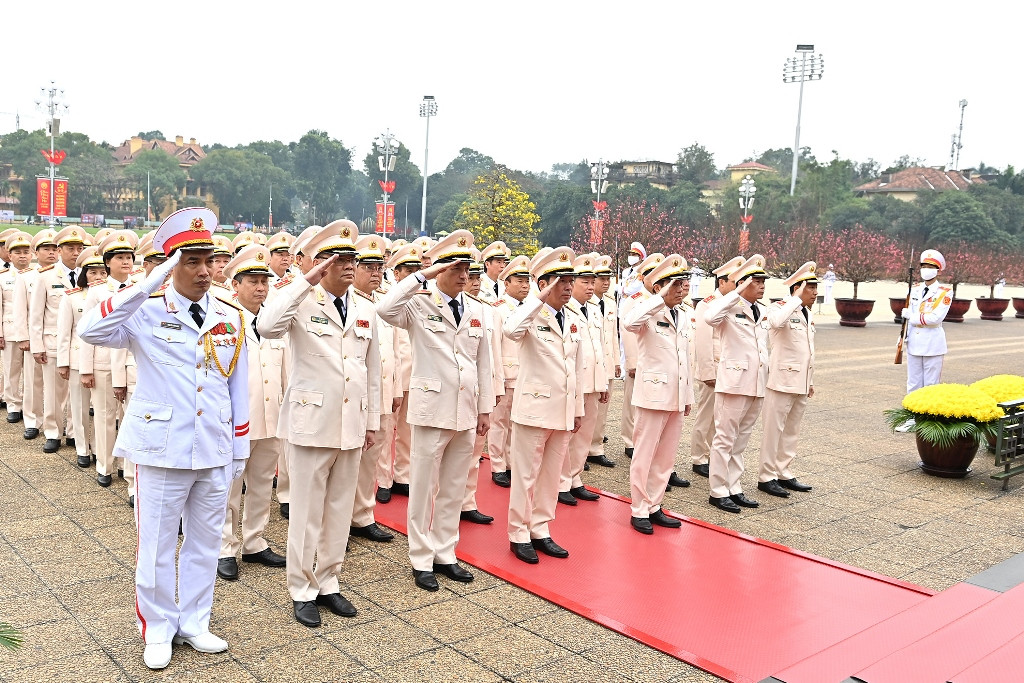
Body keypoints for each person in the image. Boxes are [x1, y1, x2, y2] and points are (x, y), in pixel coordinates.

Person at [78, 207, 250, 670]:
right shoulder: (146, 310)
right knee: (154, 545)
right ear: (170, 264)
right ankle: (157, 626)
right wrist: (146, 283)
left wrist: (239, 448)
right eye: (189, 261)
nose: (202, 271)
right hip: (161, 448)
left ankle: (194, 621)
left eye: (207, 260)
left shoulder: (228, 315)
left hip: (213, 445)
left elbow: (238, 385)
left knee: (204, 541)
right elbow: (91, 329)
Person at [257, 219, 381, 627]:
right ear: (318, 264)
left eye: (351, 258)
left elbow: (372, 370)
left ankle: (329, 581)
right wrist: (304, 280)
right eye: (338, 258)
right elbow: (266, 325)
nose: (348, 265)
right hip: (311, 422)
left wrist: (373, 421)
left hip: (350, 422)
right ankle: (301, 588)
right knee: (307, 511)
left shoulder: (365, 309)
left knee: (339, 510)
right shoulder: (299, 300)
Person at [375, 230, 493, 591]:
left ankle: (446, 552)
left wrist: (485, 408)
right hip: (431, 409)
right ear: (439, 268)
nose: (463, 275)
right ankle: (421, 557)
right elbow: (384, 308)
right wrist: (421, 275)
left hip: (465, 409)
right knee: (423, 487)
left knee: (454, 486)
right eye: (455, 267)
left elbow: (482, 363)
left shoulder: (475, 309)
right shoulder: (419, 303)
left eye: (467, 268)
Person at [504, 247, 584, 564]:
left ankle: (540, 528)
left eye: (570, 280)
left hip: (562, 411)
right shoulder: (530, 314)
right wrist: (538, 298)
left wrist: (577, 409)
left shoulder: (574, 319)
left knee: (551, 476)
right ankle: (518, 533)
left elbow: (575, 369)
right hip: (534, 409)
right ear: (545, 284)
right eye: (560, 281)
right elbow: (510, 330)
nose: (567, 287)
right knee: (525, 476)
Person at [217, 245, 288, 582]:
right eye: (254, 281)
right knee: (230, 487)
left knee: (261, 484)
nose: (261, 287)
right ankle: (225, 547)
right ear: (236, 284)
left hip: (271, 415)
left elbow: (285, 370)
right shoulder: (223, 321)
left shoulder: (274, 320)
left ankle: (255, 541)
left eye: (265, 281)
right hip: (236, 420)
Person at [624, 255, 694, 534]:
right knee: (644, 454)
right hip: (652, 394)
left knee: (665, 456)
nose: (680, 289)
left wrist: (688, 396)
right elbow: (629, 323)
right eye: (674, 284)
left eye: (682, 283)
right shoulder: (647, 310)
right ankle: (639, 508)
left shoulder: (685, 313)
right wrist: (659, 296)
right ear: (659, 287)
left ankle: (655, 504)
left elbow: (685, 358)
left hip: (676, 395)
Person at [704, 254, 770, 514]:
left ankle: (734, 487)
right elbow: (710, 317)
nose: (762, 285)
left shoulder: (761, 309)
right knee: (724, 438)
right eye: (756, 281)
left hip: (756, 383)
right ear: (742, 284)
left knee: (741, 439)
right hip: (733, 382)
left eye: (764, 280)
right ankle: (717, 491)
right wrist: (737, 290)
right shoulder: (728, 306)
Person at [347, 235, 397, 543]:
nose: (376, 273)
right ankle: (340, 520)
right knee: (347, 463)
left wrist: (398, 389)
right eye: (368, 266)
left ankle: (362, 515)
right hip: (354, 395)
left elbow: (397, 351)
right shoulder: (347, 301)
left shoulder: (386, 301)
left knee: (372, 458)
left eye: (379, 266)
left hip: (383, 393)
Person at [81, 230, 140, 487]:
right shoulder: (96, 292)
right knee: (105, 415)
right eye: (120, 258)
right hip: (103, 361)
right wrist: (85, 368)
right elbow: (85, 332)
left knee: (129, 419)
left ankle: (129, 473)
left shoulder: (141, 288)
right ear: (107, 262)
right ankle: (105, 465)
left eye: (129, 257)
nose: (126, 262)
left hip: (131, 361)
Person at [757, 262, 816, 497]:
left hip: (801, 381)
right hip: (781, 380)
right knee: (774, 430)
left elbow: (809, 348)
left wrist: (810, 380)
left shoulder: (807, 312)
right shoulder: (778, 308)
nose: (815, 293)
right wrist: (795, 299)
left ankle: (784, 471)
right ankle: (766, 476)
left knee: (792, 430)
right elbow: (774, 323)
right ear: (798, 287)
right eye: (810, 288)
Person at [557, 254, 609, 506]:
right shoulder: (565, 310)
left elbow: (600, 348)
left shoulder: (594, 309)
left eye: (592, 281)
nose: (590, 286)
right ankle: (560, 481)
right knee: (567, 435)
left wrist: (604, 382)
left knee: (585, 435)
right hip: (573, 384)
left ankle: (575, 478)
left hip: (593, 382)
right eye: (585, 281)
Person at [374, 242, 422, 504]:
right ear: (396, 273)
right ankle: (384, 479)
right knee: (386, 430)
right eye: (408, 269)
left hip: (417, 375)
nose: (413, 274)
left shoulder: (425, 298)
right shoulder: (386, 298)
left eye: (418, 268)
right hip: (394, 375)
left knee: (408, 431)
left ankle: (403, 475)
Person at [689, 256, 744, 478]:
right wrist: (706, 372)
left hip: (729, 369)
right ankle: (698, 457)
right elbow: (702, 340)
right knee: (706, 415)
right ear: (721, 282)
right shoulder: (708, 304)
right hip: (713, 368)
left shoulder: (735, 303)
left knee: (721, 417)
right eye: (735, 282)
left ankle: (714, 454)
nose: (739, 286)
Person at [459, 255, 501, 524]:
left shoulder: (485, 309)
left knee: (474, 452)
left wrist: (494, 389)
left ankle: (467, 501)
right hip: (453, 392)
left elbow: (491, 355)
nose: (473, 282)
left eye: (476, 277)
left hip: (477, 392)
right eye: (469, 277)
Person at [56, 246, 107, 468]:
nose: (97, 276)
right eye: (92, 272)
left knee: (103, 409)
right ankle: (81, 447)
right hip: (78, 358)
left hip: (104, 359)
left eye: (102, 272)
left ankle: (98, 447)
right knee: (79, 406)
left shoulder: (109, 295)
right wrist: (63, 362)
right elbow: (64, 333)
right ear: (83, 274)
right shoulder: (72, 298)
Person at [896, 249, 953, 432]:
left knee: (930, 384)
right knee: (913, 383)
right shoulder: (914, 289)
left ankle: (928, 420)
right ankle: (913, 418)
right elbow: (909, 319)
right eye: (924, 266)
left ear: (938, 270)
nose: (926, 270)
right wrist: (903, 336)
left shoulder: (944, 292)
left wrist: (911, 316)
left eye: (931, 267)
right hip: (914, 342)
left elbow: (935, 318)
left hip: (932, 343)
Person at [487, 255, 531, 487]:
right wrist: (497, 377)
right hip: (506, 374)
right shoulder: (498, 309)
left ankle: (513, 462)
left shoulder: (532, 307)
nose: (525, 286)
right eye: (519, 281)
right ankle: (497, 464)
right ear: (506, 283)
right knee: (499, 422)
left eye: (527, 281)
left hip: (526, 376)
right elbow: (494, 347)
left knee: (518, 424)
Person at [11, 229, 59, 441]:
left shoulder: (63, 276)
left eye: (53, 249)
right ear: (36, 252)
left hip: (56, 337)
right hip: (33, 336)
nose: (50, 253)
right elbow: (20, 309)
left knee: (58, 386)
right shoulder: (27, 277)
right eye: (45, 249)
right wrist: (23, 337)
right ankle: (32, 420)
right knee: (33, 381)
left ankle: (56, 423)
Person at [619, 253, 664, 459]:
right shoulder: (635, 300)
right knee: (632, 403)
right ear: (643, 277)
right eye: (650, 275)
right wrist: (632, 362)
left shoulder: (662, 300)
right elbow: (627, 332)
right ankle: (630, 441)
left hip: (656, 363)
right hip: (638, 361)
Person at [587, 255, 620, 469]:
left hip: (607, 362)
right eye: (601, 278)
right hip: (590, 364)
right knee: (588, 410)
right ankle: (582, 449)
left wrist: (617, 361)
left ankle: (596, 447)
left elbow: (613, 335)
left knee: (603, 409)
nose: (606, 282)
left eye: (609, 278)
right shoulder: (582, 302)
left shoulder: (609, 302)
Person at [1, 231, 34, 423]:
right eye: (17, 252)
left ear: (32, 255)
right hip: (11, 330)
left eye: (26, 251)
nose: (22, 255)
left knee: (32, 374)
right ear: (9, 255)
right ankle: (13, 404)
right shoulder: (3, 277)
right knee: (12, 370)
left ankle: (30, 405)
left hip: (32, 331)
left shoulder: (38, 276)